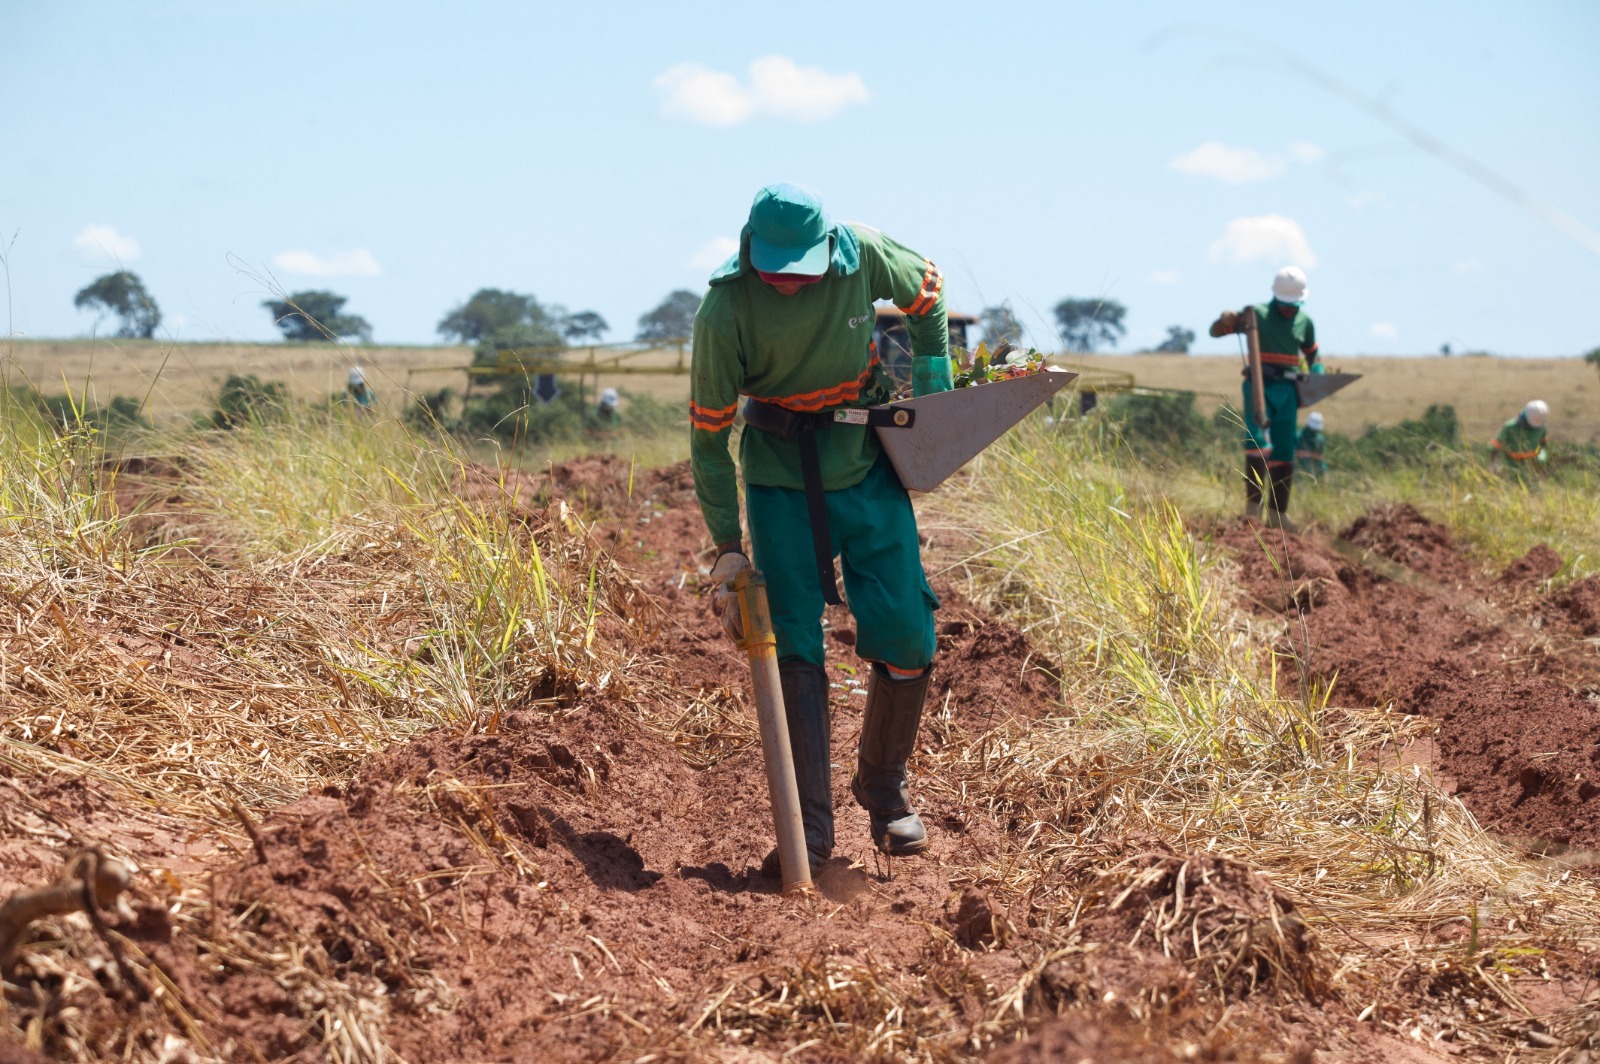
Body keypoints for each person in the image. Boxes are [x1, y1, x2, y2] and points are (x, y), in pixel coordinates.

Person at [690, 183, 952, 877]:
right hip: (779, 475)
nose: (783, 281)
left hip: (865, 463)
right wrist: (727, 545)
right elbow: (709, 436)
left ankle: (883, 786)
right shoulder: (725, 309)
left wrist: (933, 391)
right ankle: (809, 832)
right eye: (771, 266)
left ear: (826, 247)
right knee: (794, 643)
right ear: (749, 249)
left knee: (906, 629)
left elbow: (929, 296)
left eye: (796, 267)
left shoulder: (862, 253)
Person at [1210, 266, 1322, 531]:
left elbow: (1312, 353)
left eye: (1293, 306)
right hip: (1259, 387)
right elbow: (1215, 332)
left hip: (1288, 390)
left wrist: (1317, 371)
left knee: (1284, 451)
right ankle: (1253, 512)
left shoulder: (1305, 322)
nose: (1289, 311)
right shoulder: (1256, 315)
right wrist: (1224, 320)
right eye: (1285, 306)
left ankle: (1277, 515)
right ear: (1275, 298)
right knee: (1256, 444)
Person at [1491, 400, 1549, 465]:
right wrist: (1492, 462)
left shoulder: (1541, 427)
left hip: (1533, 462)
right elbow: (1495, 445)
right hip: (1511, 463)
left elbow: (1543, 442)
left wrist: (1539, 453)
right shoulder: (1510, 427)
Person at [1296, 411, 1328, 476]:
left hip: (1315, 472)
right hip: (1299, 471)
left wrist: (1324, 472)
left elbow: (1320, 457)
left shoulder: (1320, 439)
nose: (1313, 430)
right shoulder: (1298, 436)